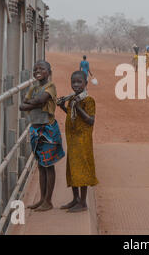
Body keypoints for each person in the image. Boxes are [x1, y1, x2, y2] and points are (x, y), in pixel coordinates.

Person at [20, 60, 65, 212]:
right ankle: (42, 199)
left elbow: (38, 100)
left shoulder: (50, 86)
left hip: (48, 130)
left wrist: (35, 103)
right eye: (35, 68)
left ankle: (48, 201)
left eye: (42, 68)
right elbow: (22, 106)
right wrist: (37, 103)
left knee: (48, 165)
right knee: (41, 165)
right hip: (35, 130)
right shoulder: (34, 88)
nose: (37, 71)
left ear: (49, 72)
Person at [57, 71, 99, 213]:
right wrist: (63, 106)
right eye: (73, 82)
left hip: (82, 140)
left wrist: (78, 107)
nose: (76, 85)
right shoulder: (73, 98)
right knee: (73, 168)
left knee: (82, 170)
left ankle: (83, 202)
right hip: (73, 139)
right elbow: (71, 115)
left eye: (79, 82)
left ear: (86, 84)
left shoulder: (88, 100)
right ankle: (75, 199)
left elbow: (90, 120)